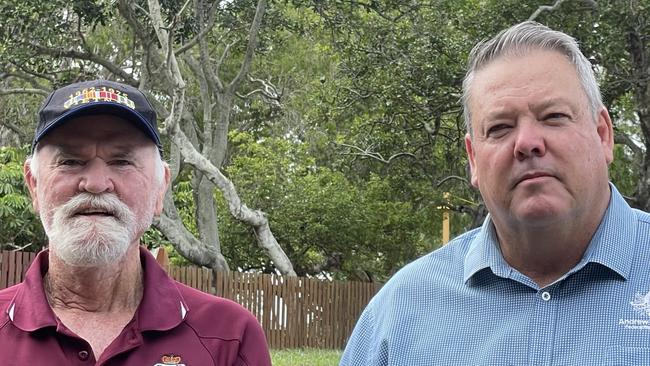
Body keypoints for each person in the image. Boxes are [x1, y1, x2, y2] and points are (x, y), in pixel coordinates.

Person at [340, 21, 650, 365]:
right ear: (473, 159)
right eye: (500, 128)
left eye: (553, 116)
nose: (528, 143)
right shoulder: (400, 313)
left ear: (603, 135)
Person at [0, 80, 272, 365]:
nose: (95, 184)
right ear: (33, 185)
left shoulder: (229, 337)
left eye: (122, 162)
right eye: (70, 161)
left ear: (160, 189)